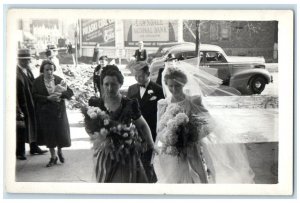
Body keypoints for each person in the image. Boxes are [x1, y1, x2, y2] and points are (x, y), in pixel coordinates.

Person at [153, 61, 255, 183]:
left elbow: (209, 123)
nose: (174, 89)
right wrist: (168, 139)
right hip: (170, 151)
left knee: (197, 178)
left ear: (183, 84)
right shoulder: (163, 104)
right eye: (170, 86)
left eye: (177, 86)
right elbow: (159, 129)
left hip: (191, 149)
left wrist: (190, 135)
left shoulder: (193, 101)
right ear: (166, 84)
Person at [87, 65, 155, 183]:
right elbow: (89, 129)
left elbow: (143, 125)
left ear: (120, 84)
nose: (109, 88)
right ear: (102, 84)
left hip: (126, 154)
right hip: (105, 154)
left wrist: (152, 145)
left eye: (113, 84)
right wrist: (100, 137)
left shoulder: (129, 104)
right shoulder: (97, 104)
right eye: (106, 84)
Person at [127, 62, 164, 182]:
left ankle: (150, 184)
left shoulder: (158, 90)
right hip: (135, 132)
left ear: (148, 74)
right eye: (135, 76)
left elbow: (161, 112)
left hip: (151, 131)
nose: (138, 79)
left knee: (149, 161)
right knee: (137, 161)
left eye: (141, 76)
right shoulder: (131, 89)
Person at [32, 60, 73, 167]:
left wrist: (61, 94)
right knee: (49, 134)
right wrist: (47, 98)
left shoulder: (59, 80)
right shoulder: (37, 82)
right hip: (45, 112)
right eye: (47, 70)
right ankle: (53, 157)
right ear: (42, 70)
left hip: (59, 112)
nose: (50, 72)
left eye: (51, 69)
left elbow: (70, 93)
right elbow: (34, 96)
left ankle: (59, 151)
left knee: (60, 133)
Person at [16, 49, 48, 160]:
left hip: (31, 101)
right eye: (25, 60)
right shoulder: (15, 72)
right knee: (21, 128)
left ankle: (33, 146)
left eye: (28, 59)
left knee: (33, 124)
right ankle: (20, 152)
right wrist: (17, 108)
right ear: (19, 60)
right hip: (22, 103)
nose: (27, 62)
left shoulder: (28, 70)